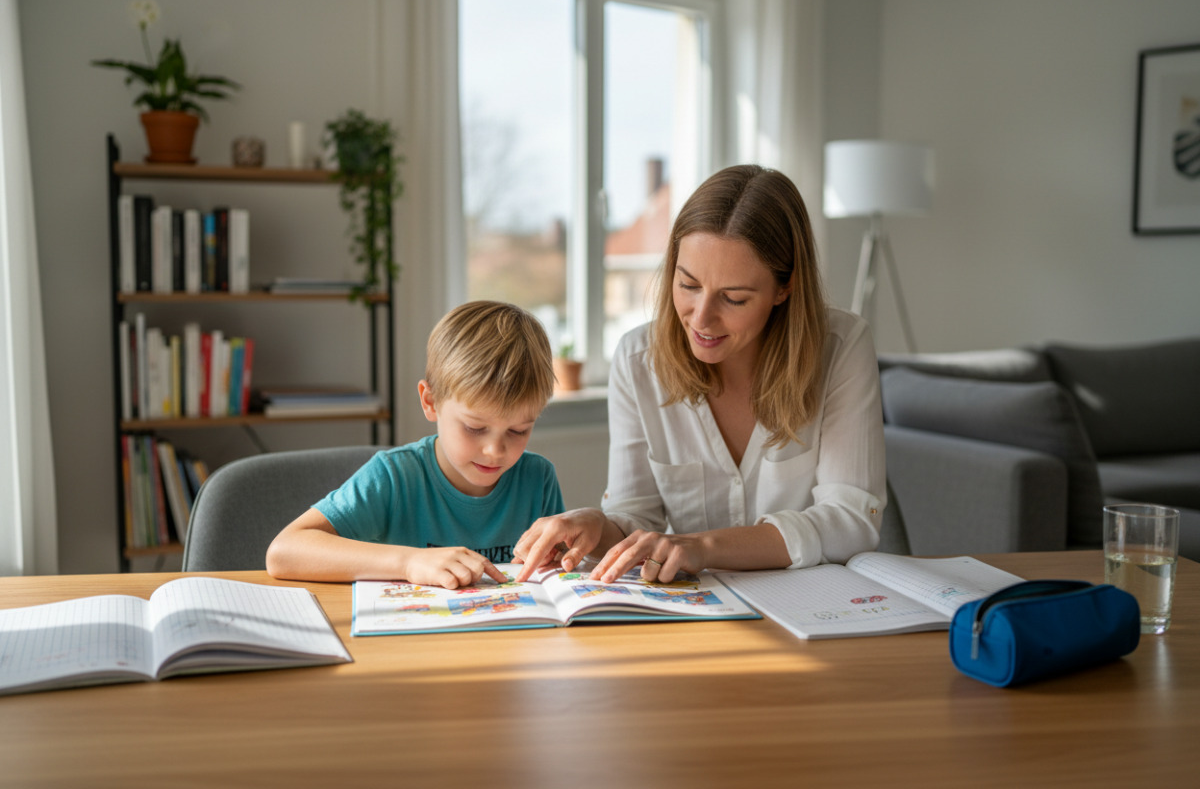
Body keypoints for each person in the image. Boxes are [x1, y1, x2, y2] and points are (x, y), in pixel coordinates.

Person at [514, 164, 885, 584]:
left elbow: (852, 520)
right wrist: (597, 526)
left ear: (785, 288)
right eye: (688, 285)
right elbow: (636, 515)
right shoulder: (638, 359)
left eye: (734, 298)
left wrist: (702, 546)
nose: (702, 319)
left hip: (815, 612)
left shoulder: (841, 348)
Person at [266, 300, 564, 588]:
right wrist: (409, 562)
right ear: (430, 401)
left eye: (518, 431)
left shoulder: (538, 480)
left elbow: (556, 570)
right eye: (474, 427)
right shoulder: (393, 477)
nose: (495, 450)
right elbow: (283, 552)